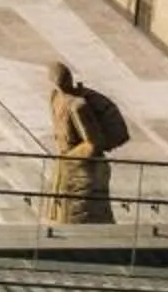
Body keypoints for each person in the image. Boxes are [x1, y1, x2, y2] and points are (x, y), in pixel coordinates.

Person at [43, 62, 120, 225]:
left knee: (82, 218)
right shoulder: (54, 98)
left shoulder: (78, 106)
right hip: (65, 168)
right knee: (59, 216)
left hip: (82, 171)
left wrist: (68, 159)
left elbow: (93, 144)